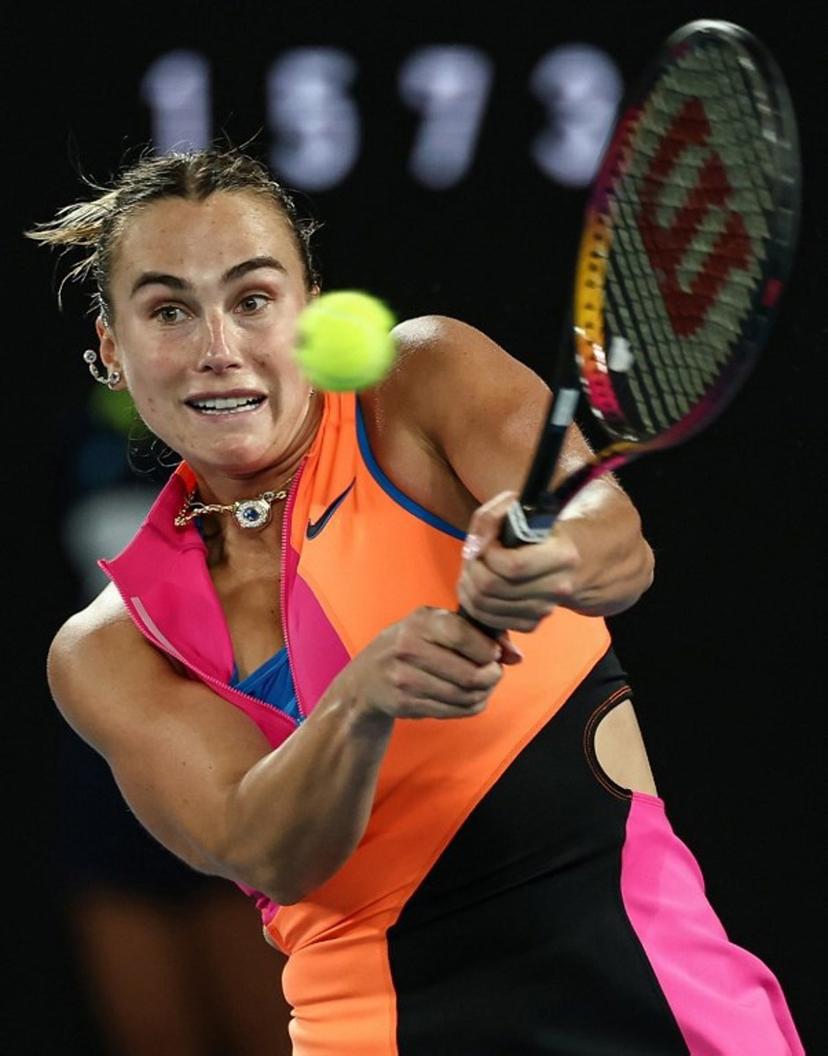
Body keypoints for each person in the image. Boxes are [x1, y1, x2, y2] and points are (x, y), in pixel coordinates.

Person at [30, 148, 803, 1055]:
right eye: (169, 311)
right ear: (111, 349)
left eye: (252, 300)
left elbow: (613, 537)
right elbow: (266, 849)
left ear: (309, 312)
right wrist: (362, 698)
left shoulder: (420, 381)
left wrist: (547, 554)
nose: (217, 349)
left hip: (651, 986)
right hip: (384, 1030)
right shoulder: (110, 648)